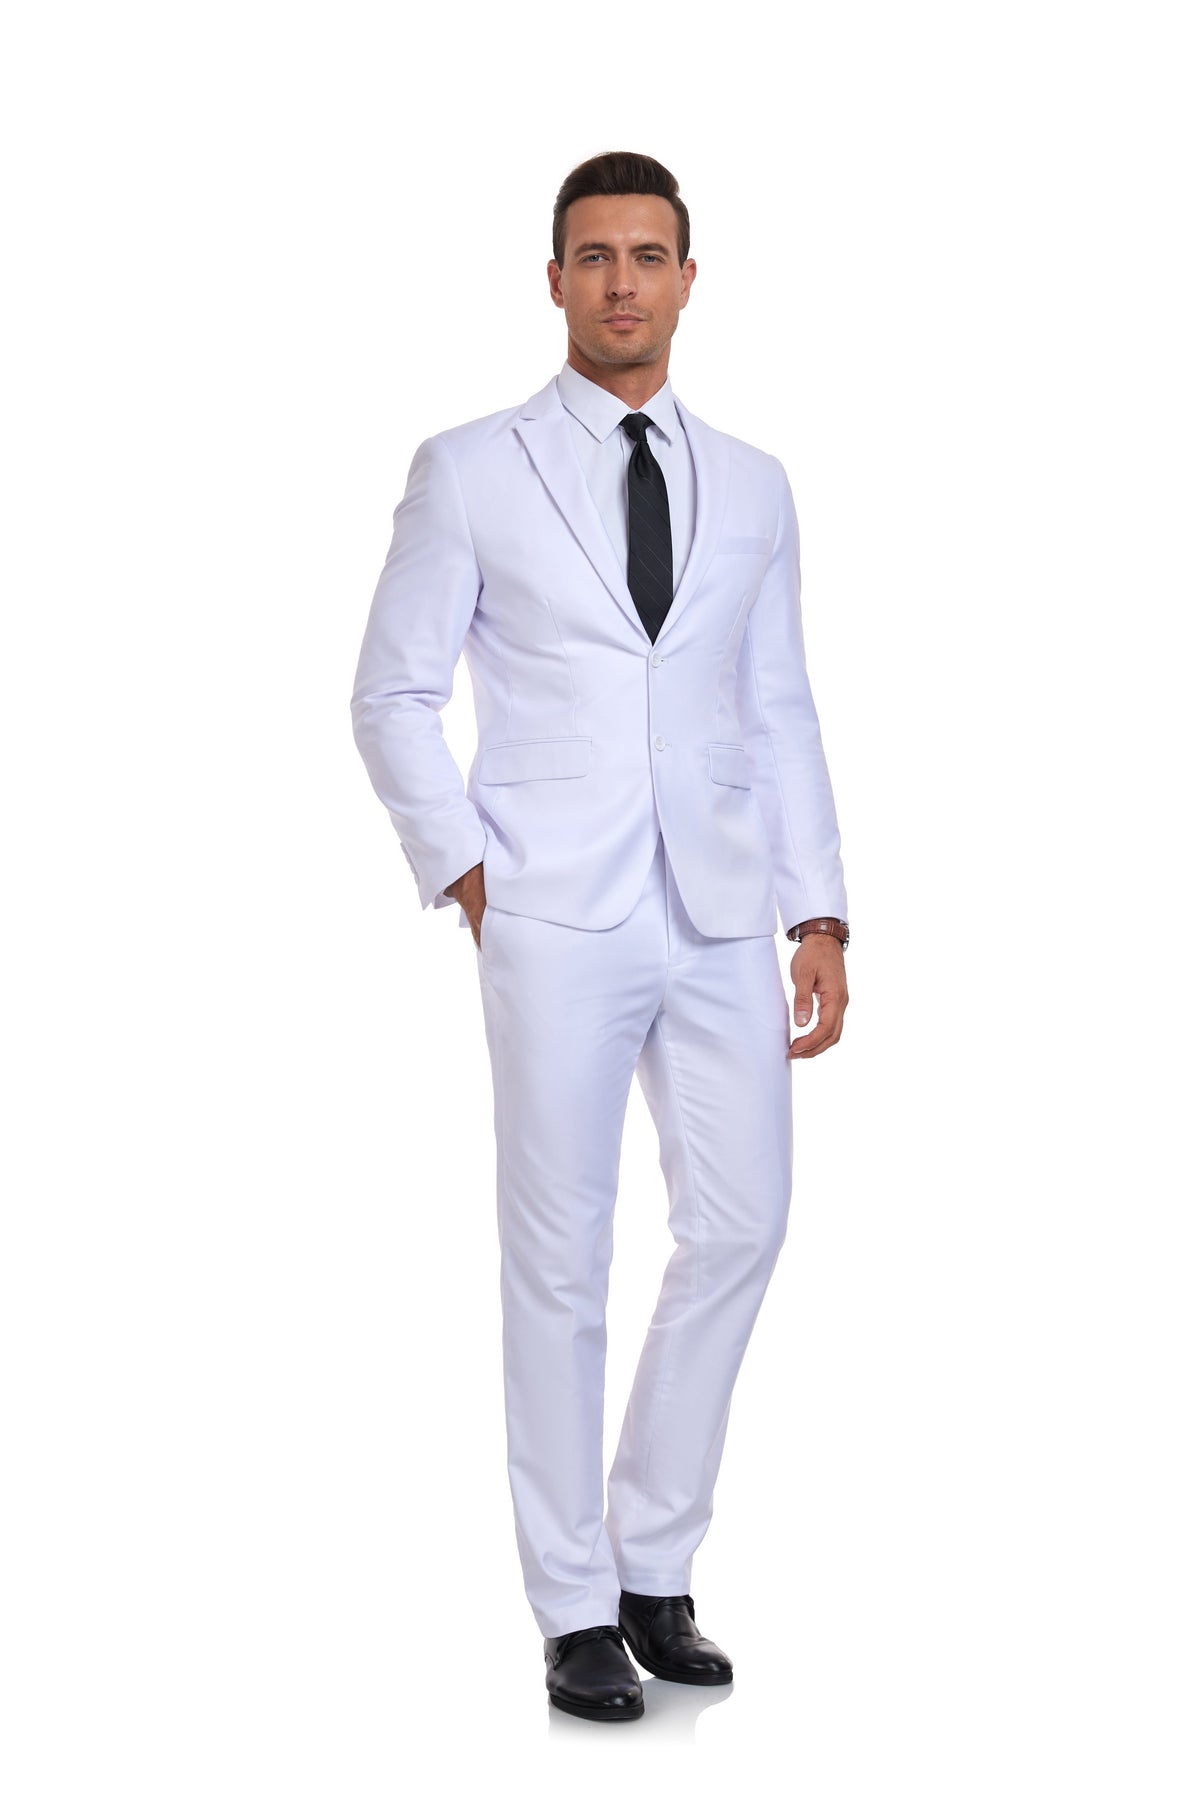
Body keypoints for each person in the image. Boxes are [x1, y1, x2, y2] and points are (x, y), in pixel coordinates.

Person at [350, 149, 850, 1723]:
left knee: (744, 1223)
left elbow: (777, 702)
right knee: (560, 1256)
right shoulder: (470, 469)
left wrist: (818, 906)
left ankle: (654, 1563)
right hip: (552, 914)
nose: (622, 281)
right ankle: (573, 1604)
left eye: (648, 255)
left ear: (689, 280)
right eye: (594, 256)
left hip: (720, 907)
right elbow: (391, 693)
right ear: (554, 279)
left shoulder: (756, 484)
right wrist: (468, 875)